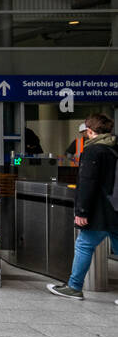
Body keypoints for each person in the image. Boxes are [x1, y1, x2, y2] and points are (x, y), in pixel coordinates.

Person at [47, 113, 117, 303]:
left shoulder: (93, 151)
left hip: (101, 210)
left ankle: (74, 286)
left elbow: (87, 183)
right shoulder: (114, 149)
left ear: (90, 131)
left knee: (84, 245)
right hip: (116, 209)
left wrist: (82, 212)